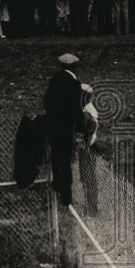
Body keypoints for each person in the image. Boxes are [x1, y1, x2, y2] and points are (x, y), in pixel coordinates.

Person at [42, 53, 86, 207]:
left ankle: (57, 183)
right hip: (65, 128)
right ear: (74, 66)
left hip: (52, 126)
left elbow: (46, 101)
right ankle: (66, 196)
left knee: (56, 155)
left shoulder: (55, 79)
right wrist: (81, 127)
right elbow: (76, 108)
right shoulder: (74, 83)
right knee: (66, 161)